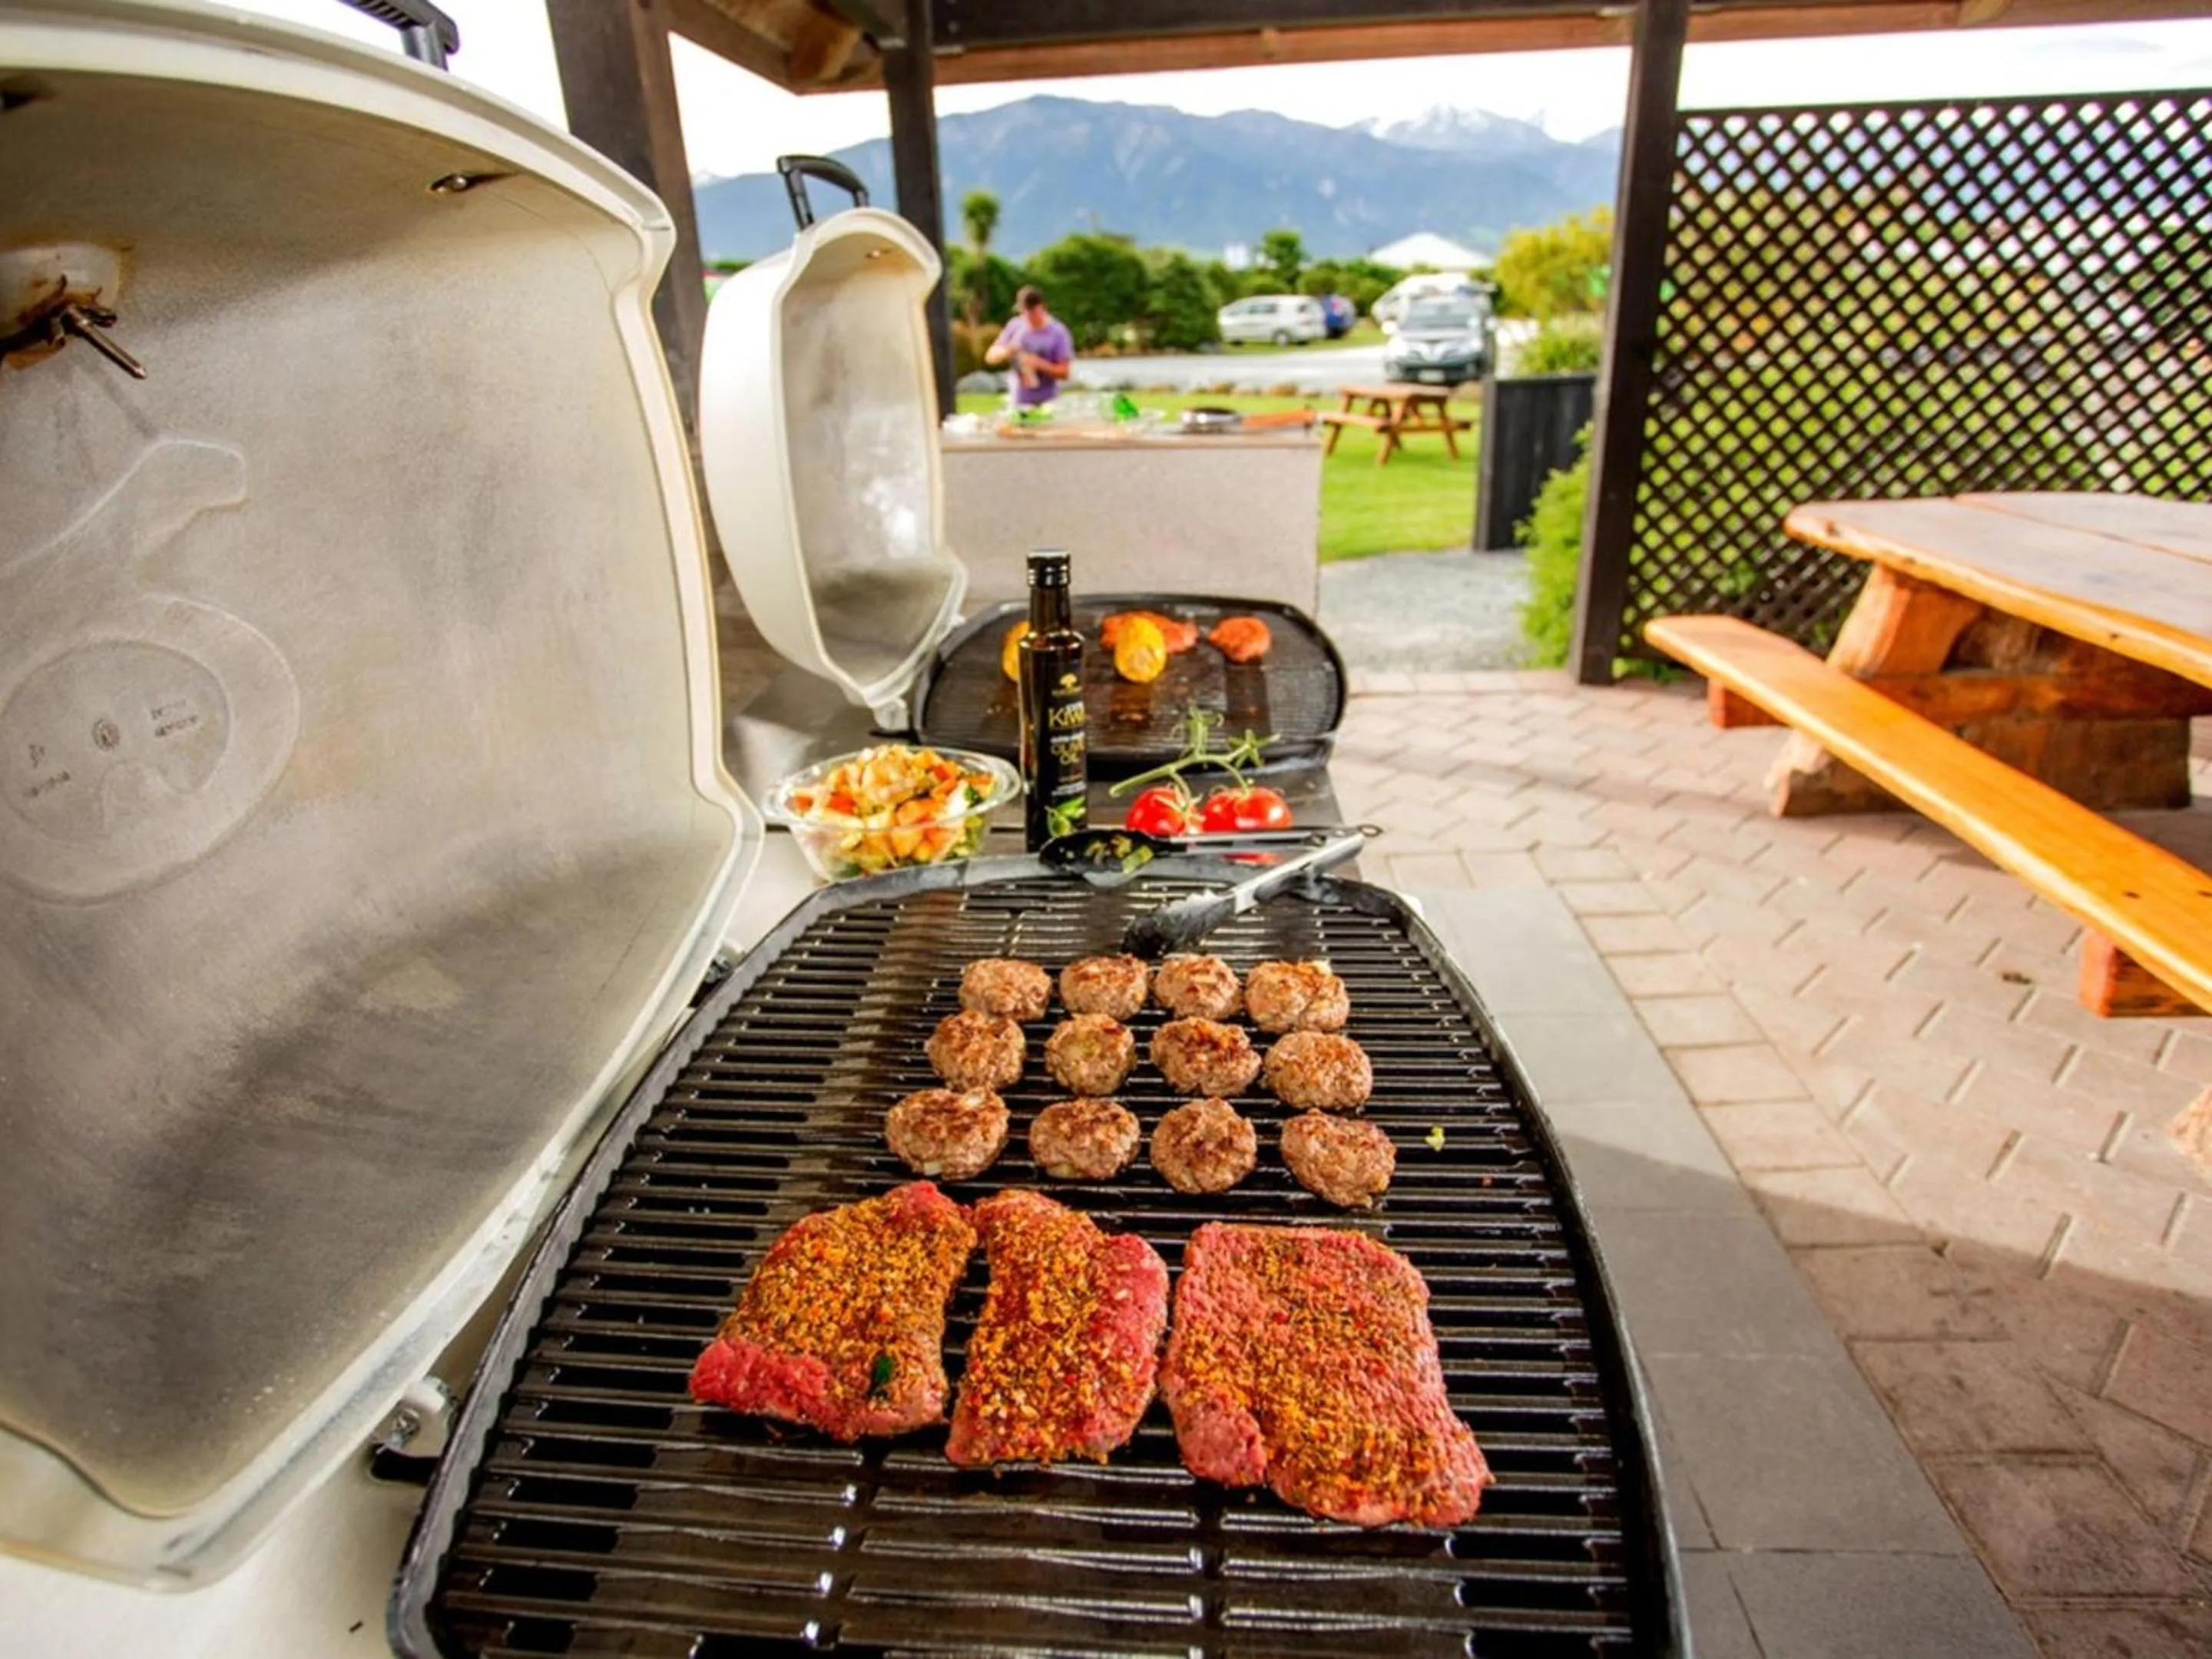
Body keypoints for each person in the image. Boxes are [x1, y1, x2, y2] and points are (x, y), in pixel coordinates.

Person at [985, 285, 1073, 410]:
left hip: (1047, 402)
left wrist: (1040, 364)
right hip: (1018, 401)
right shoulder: (1015, 326)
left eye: (1032, 312)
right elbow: (990, 357)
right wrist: (1006, 351)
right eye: (1024, 312)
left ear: (1042, 307)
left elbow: (1065, 372)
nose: (1028, 317)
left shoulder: (1057, 332)